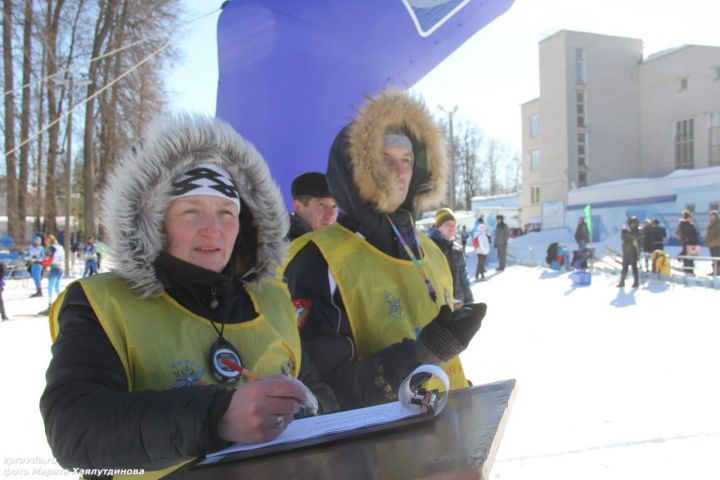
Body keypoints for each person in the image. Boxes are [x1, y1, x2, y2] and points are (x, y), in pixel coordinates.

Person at [40, 114, 321, 477]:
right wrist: (216, 416)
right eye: (191, 212)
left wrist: (308, 407)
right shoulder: (102, 304)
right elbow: (73, 429)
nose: (213, 230)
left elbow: (317, 391)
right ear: (155, 222)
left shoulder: (274, 302)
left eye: (226, 212)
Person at [282, 90, 486, 411]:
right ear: (356, 168)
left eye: (407, 160)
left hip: (446, 436)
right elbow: (318, 396)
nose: (401, 172)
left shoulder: (430, 251)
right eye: (386, 159)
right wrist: (423, 354)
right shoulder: (317, 259)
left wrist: (461, 389)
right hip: (378, 453)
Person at [428, 208, 474, 307]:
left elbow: (463, 278)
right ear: (438, 227)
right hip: (437, 304)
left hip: (458, 302)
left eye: (454, 224)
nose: (452, 228)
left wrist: (469, 301)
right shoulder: (428, 247)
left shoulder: (457, 248)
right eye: (448, 224)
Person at [288, 172, 337, 240]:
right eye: (321, 205)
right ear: (298, 207)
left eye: (334, 206)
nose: (330, 214)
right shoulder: (284, 246)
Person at [617, 216, 641, 288]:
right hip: (626, 251)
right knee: (624, 267)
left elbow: (636, 237)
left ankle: (636, 282)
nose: (632, 224)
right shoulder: (627, 230)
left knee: (634, 267)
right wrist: (624, 233)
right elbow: (622, 238)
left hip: (633, 252)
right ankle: (622, 282)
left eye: (633, 223)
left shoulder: (638, 230)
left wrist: (628, 234)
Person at [676, 209, 700, 276]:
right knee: (688, 257)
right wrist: (685, 239)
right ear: (686, 218)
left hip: (693, 243)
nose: (691, 219)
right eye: (690, 217)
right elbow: (680, 234)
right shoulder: (683, 225)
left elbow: (696, 233)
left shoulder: (691, 225)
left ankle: (690, 270)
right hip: (687, 243)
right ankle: (688, 270)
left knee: (691, 257)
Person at [45, 234, 65, 309]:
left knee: (51, 287)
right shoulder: (61, 247)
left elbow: (49, 258)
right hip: (60, 268)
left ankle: (50, 304)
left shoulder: (52, 248)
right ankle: (61, 303)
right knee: (57, 287)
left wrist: (45, 263)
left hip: (54, 267)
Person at [706, 210, 720, 276]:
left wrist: (715, 241)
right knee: (713, 258)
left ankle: (718, 271)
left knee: (717, 258)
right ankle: (714, 271)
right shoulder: (710, 225)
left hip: (717, 245)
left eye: (712, 216)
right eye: (710, 216)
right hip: (711, 245)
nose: (711, 217)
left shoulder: (718, 224)